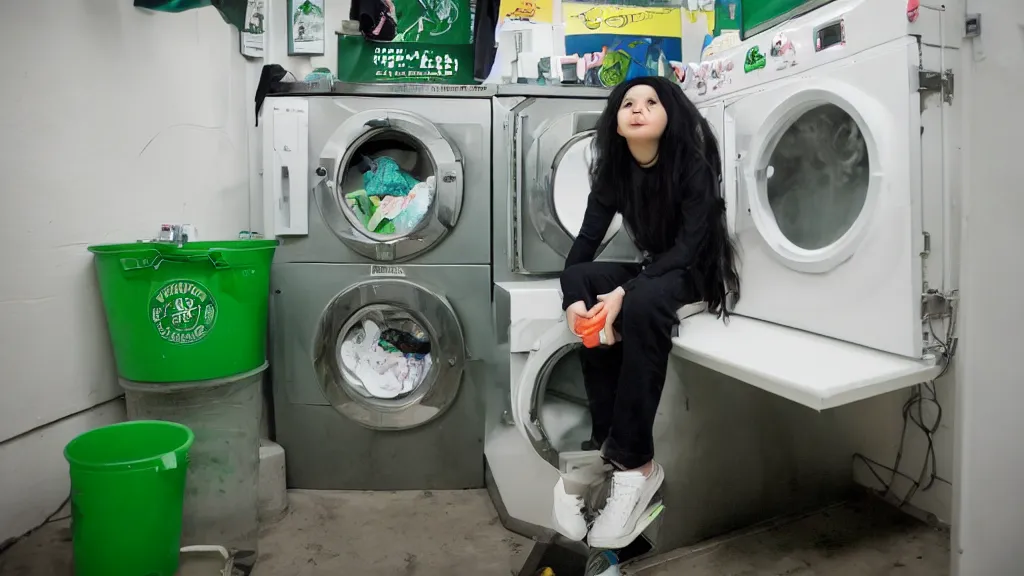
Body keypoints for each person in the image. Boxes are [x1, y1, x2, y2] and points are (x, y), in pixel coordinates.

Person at [552, 76, 740, 549]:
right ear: (615, 122)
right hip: (655, 270)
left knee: (638, 301)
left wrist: (623, 294)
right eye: (628, 103)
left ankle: (637, 464)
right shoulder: (614, 175)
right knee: (586, 283)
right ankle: (605, 447)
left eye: (651, 102)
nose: (638, 109)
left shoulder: (691, 167)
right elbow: (582, 252)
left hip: (695, 271)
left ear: (669, 114)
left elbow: (688, 250)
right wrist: (577, 302)